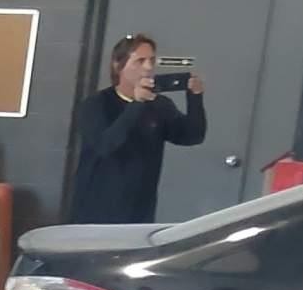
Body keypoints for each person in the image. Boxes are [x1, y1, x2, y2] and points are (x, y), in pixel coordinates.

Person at [67, 34, 207, 225]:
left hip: (140, 210)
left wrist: (195, 98)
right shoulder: (96, 104)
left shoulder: (160, 105)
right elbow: (105, 145)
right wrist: (136, 104)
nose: (148, 68)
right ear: (119, 65)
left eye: (151, 60)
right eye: (140, 61)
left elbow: (193, 136)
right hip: (95, 209)